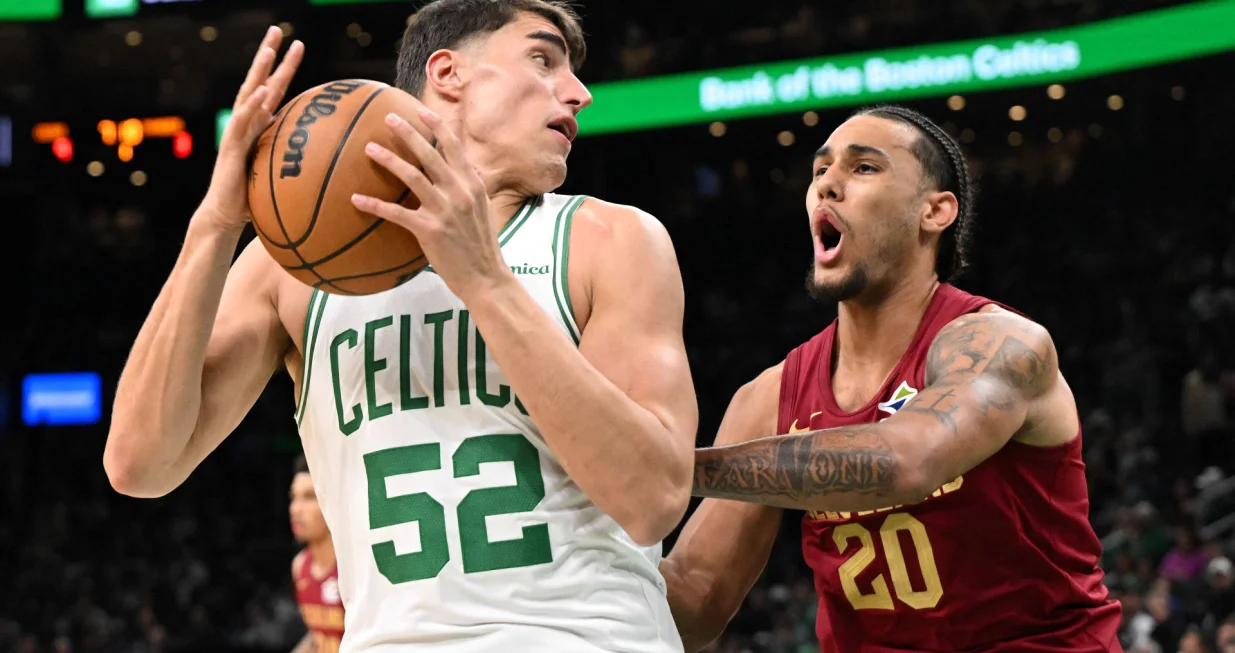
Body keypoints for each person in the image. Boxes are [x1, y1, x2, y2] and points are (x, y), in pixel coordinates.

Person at [103, 1, 697, 650]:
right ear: (448, 73)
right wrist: (215, 223)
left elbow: (652, 498)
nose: (577, 92)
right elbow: (139, 464)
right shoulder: (293, 266)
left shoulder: (609, 239)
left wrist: (484, 282)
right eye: (541, 58)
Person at [660, 105, 1121, 652]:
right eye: (819, 171)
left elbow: (905, 460)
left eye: (863, 168)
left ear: (935, 211)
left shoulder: (1001, 344)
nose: (827, 186)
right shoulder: (769, 396)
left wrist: (665, 465)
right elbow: (693, 604)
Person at [289, 455, 343, 653]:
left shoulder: (354, 567)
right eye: (293, 498)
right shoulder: (299, 566)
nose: (295, 509)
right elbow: (317, 636)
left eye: (309, 497)